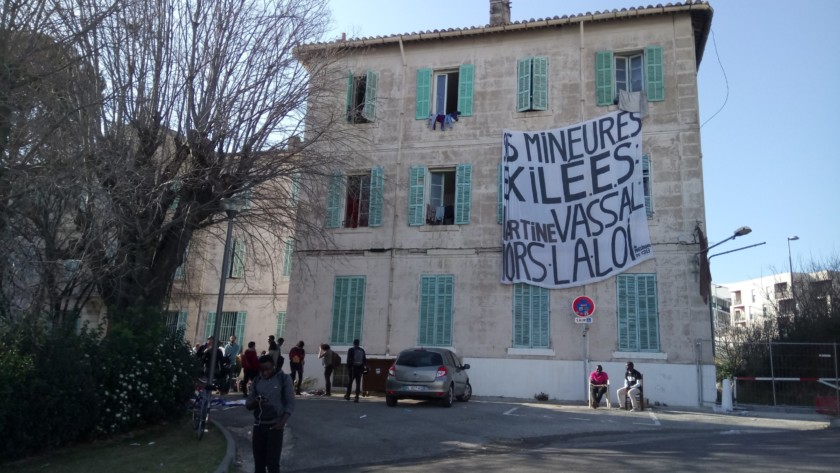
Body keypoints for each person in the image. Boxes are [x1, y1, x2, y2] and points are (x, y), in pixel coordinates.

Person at [246, 355, 295, 473]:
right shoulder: (257, 381)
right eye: (261, 370)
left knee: (273, 464)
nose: (264, 372)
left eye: (267, 369)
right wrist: (256, 402)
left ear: (274, 366)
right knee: (259, 464)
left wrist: (282, 423)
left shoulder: (284, 379)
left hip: (275, 427)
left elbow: (290, 403)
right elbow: (248, 405)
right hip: (258, 426)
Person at [344, 339, 366, 403]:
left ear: (353, 343)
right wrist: (362, 369)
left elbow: (348, 360)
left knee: (350, 383)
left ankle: (348, 396)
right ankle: (357, 397)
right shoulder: (362, 350)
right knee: (358, 383)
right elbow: (364, 360)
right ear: (359, 343)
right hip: (359, 369)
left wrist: (349, 368)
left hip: (352, 368)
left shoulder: (351, 350)